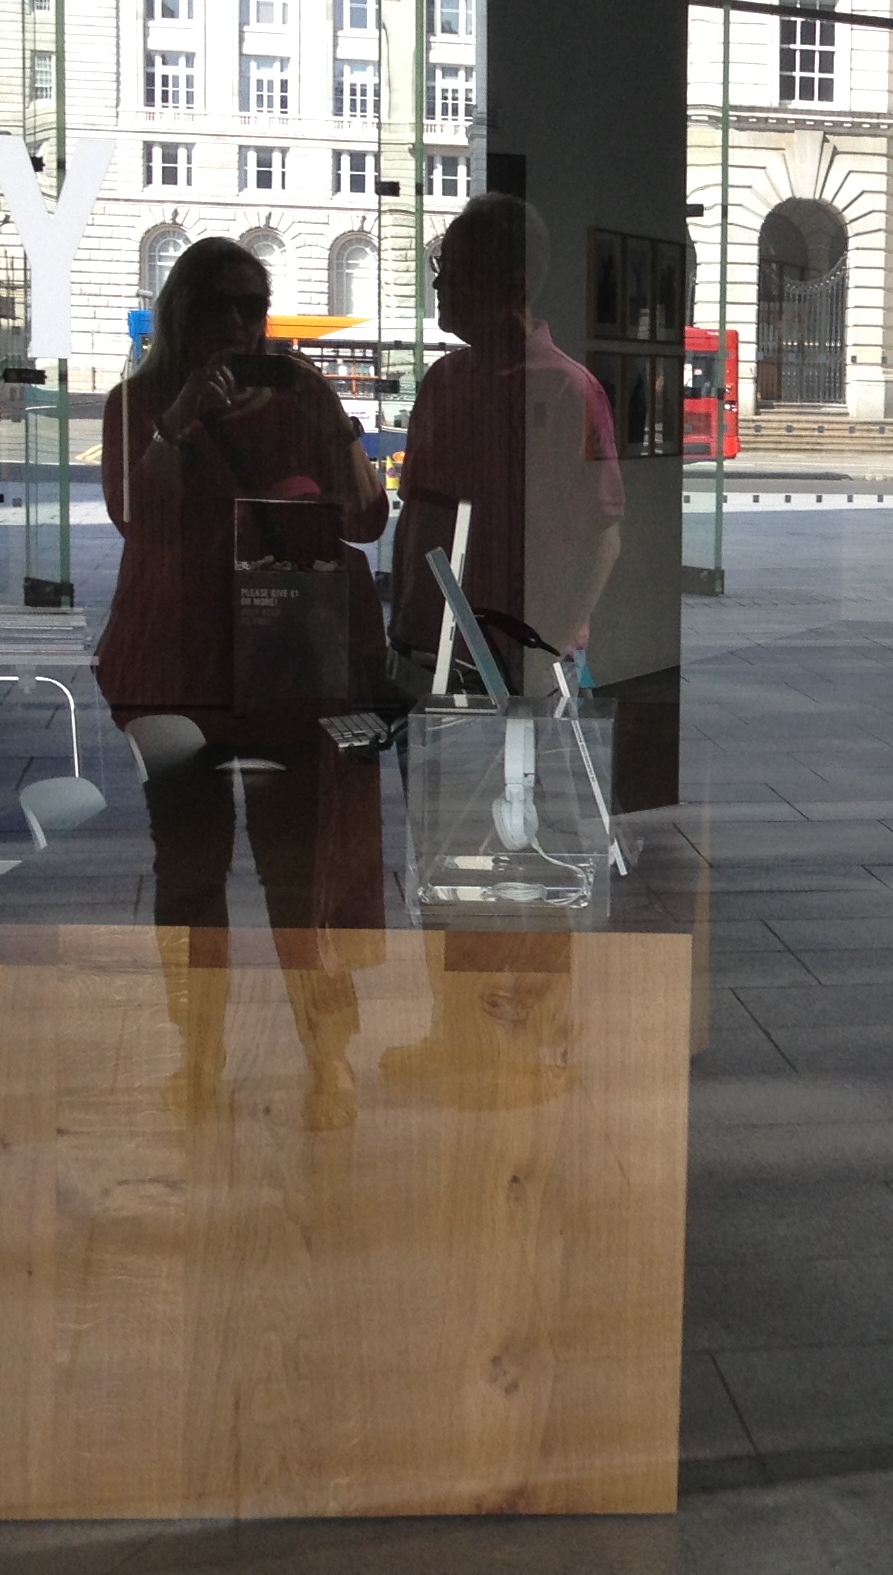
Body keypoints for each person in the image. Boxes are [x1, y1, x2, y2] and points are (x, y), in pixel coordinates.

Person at [99, 236, 393, 1125]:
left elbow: (367, 518)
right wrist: (179, 421)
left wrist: (334, 418)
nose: (237, 322)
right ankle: (197, 1057)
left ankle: (327, 1060)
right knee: (188, 873)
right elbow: (136, 519)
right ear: (178, 311)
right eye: (217, 303)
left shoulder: (300, 400)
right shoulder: (137, 404)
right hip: (177, 669)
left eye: (252, 306)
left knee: (298, 876)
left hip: (284, 668)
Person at [388, 193, 625, 688]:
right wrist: (401, 628)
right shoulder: (441, 380)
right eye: (439, 266)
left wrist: (542, 655)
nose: (439, 283)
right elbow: (416, 515)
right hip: (421, 654)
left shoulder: (567, 389)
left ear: (511, 285)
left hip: (512, 666)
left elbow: (600, 539)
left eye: (454, 270)